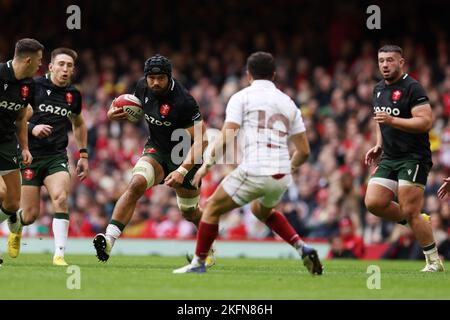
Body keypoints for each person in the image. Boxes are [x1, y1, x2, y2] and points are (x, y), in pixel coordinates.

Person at [173, 52, 323, 275]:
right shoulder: (288, 102)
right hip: (281, 175)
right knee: (260, 209)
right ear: (273, 74)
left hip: (256, 169)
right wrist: (287, 169)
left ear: (248, 75)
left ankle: (198, 263)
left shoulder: (241, 97)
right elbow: (304, 151)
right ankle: (302, 248)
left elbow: (226, 136)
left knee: (212, 207)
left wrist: (206, 166)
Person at [93, 54, 214, 265]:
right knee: (136, 184)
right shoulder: (142, 87)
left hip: (183, 155)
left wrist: (182, 170)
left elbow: (202, 140)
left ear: (169, 77)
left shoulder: (184, 101)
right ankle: (109, 240)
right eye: (151, 78)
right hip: (156, 149)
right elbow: (131, 110)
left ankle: (207, 248)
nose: (155, 82)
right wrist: (113, 113)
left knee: (189, 212)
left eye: (160, 78)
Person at [364, 45, 444, 272]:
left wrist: (393, 121)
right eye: (381, 61)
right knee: (373, 202)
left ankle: (433, 261)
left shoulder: (413, 88)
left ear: (401, 62)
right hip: (389, 156)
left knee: (410, 211)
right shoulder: (378, 88)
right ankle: (420, 221)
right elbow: (380, 119)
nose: (385, 65)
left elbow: (425, 122)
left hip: (414, 157)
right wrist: (379, 144)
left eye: (390, 60)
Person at [7, 48, 89, 266]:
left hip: (56, 156)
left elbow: (79, 123)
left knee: (61, 198)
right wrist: (32, 127)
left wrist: (84, 155)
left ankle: (59, 254)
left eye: (69, 65)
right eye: (61, 64)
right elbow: (16, 118)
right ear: (51, 67)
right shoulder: (33, 87)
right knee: (30, 214)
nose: (65, 69)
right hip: (29, 156)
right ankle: (16, 226)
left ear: (73, 70)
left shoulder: (73, 95)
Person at [0, 38, 43, 258]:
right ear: (28, 59)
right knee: (0, 192)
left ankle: (12, 222)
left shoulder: (28, 85)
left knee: (13, 202)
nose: (40, 65)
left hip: (7, 142)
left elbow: (20, 118)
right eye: (39, 60)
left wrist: (25, 148)